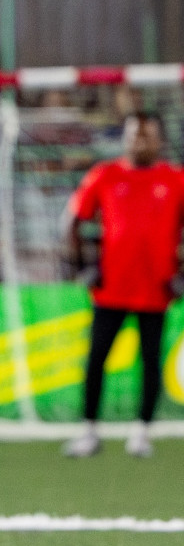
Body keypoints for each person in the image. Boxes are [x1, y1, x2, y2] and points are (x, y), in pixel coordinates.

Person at [62, 112, 184, 458]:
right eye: (133, 135)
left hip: (155, 289)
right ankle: (88, 431)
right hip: (110, 287)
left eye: (146, 135)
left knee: (149, 360)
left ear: (159, 140)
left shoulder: (176, 179)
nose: (139, 141)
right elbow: (73, 221)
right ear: (124, 138)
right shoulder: (105, 175)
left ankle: (142, 432)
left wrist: (182, 274)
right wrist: (82, 266)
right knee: (96, 357)